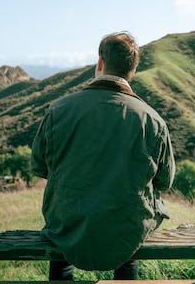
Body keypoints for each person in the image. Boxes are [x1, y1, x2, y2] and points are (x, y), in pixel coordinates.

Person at [31, 31, 175, 280]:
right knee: (130, 238)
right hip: (127, 231)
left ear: (100, 63)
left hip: (66, 226)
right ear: (132, 71)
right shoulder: (153, 121)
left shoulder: (58, 110)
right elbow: (165, 181)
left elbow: (39, 166)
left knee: (62, 252)